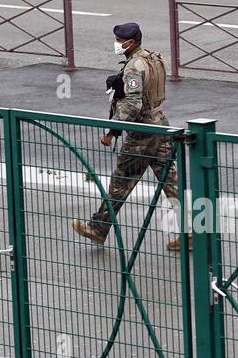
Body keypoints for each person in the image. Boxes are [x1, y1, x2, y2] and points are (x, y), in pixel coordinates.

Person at [71, 22, 183, 251]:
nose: (116, 44)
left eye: (119, 41)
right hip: (161, 126)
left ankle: (98, 228)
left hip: (142, 133)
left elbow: (133, 104)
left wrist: (112, 130)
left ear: (130, 42)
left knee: (121, 181)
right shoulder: (154, 58)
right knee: (172, 183)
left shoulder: (134, 67)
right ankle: (193, 232)